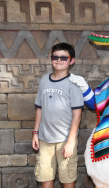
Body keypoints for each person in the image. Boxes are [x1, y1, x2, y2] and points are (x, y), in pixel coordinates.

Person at [32, 42, 85, 188]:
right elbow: (39, 108)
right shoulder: (44, 80)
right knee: (45, 177)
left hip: (65, 140)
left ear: (71, 60)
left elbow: (77, 116)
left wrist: (70, 142)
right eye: (55, 57)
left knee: (67, 178)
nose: (59, 60)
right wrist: (35, 133)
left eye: (63, 57)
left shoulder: (73, 83)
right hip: (45, 139)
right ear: (51, 59)